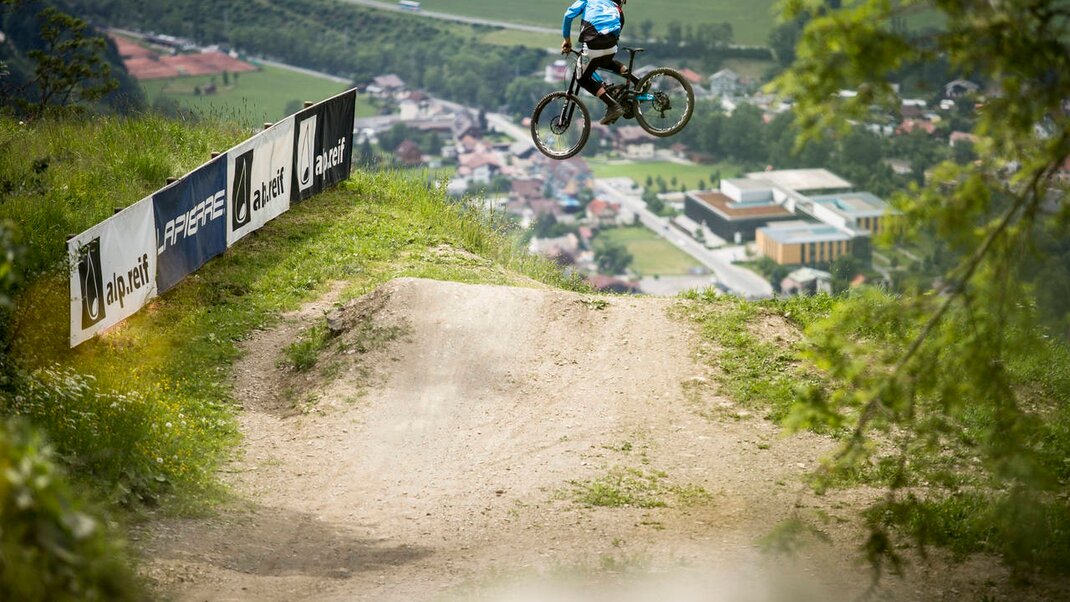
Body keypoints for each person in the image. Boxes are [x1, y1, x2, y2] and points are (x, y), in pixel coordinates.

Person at [561, 0, 640, 125]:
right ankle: (638, 81)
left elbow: (568, 15)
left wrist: (567, 40)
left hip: (593, 43)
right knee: (604, 61)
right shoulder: (614, 5)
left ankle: (613, 106)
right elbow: (620, 23)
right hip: (612, 46)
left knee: (582, 79)